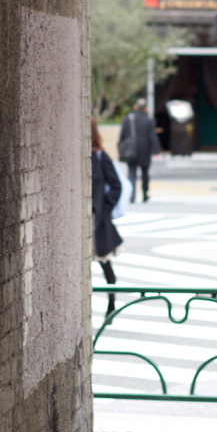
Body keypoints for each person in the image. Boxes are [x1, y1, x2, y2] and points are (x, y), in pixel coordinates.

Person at [93, 116, 123, 318]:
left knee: (105, 264)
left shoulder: (99, 157)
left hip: (97, 220)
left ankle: (111, 305)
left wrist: (104, 208)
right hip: (80, 221)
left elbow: (116, 185)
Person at [118, 98, 161, 203]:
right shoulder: (149, 120)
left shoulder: (128, 119)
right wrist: (156, 151)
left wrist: (120, 150)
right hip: (145, 152)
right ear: (145, 109)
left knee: (131, 174)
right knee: (145, 174)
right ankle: (145, 194)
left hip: (131, 152)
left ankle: (132, 195)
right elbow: (152, 137)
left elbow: (122, 137)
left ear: (135, 107)